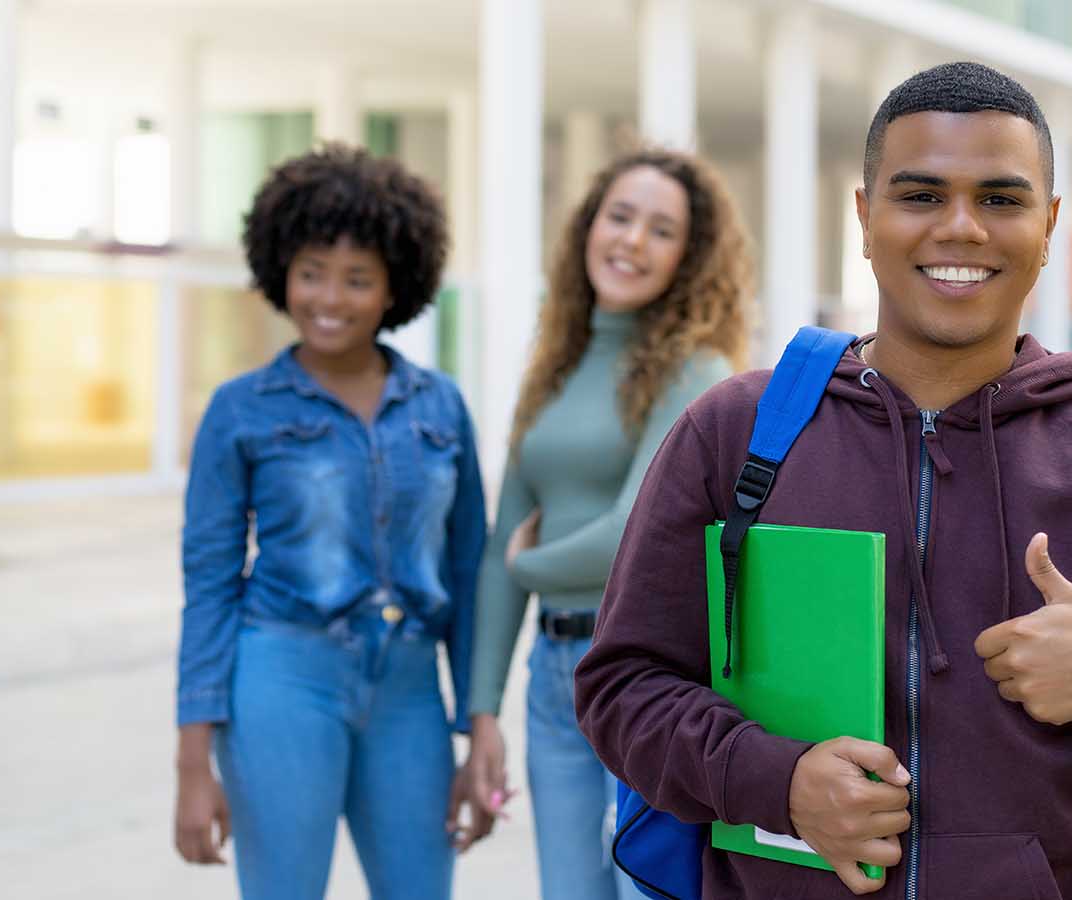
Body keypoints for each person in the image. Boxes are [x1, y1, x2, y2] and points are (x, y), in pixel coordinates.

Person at [575, 62, 1072, 899]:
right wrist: (774, 781)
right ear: (864, 216)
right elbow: (620, 686)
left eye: (1001, 199)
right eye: (920, 195)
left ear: (1049, 224)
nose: (960, 228)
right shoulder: (734, 433)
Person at [173, 144, 490, 900]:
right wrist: (192, 766)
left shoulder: (440, 407)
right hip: (283, 680)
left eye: (358, 279)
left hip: (411, 693)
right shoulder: (240, 410)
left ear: (395, 289)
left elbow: (471, 571)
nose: (330, 298)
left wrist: (480, 725)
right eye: (312, 271)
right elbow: (209, 586)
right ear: (280, 269)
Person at [454, 147, 754, 900]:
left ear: (689, 256)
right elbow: (497, 549)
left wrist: (529, 564)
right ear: (589, 225)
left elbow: (635, 535)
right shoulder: (555, 365)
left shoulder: (696, 370)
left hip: (645, 674)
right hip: (552, 679)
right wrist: (483, 711)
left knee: (642, 890)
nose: (631, 241)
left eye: (661, 230)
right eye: (620, 216)